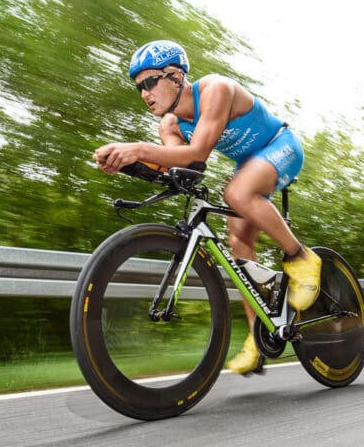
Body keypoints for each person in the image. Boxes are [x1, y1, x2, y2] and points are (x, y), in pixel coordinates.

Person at [92, 40, 321, 375]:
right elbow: (180, 168)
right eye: (138, 87)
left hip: (280, 146)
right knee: (239, 244)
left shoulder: (216, 89)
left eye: (149, 82)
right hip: (248, 163)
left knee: (236, 194)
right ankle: (259, 337)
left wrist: (138, 149)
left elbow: (196, 152)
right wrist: (125, 162)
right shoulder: (170, 125)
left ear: (175, 76)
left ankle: (301, 258)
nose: (144, 93)